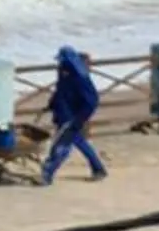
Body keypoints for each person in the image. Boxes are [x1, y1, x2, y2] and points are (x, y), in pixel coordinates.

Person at [42, 45, 109, 184]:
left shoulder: (81, 78)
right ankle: (98, 169)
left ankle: (48, 173)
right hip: (62, 114)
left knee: (61, 146)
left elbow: (92, 101)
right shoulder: (63, 72)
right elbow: (59, 91)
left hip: (70, 118)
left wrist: (80, 119)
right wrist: (51, 104)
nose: (60, 64)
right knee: (79, 142)